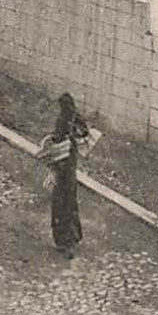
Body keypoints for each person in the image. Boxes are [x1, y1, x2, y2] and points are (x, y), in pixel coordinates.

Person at [38, 93, 92, 258]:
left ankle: (63, 241)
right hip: (70, 166)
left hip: (63, 166)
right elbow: (85, 133)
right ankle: (73, 238)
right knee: (71, 203)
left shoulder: (61, 120)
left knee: (60, 205)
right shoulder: (76, 117)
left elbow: (57, 144)